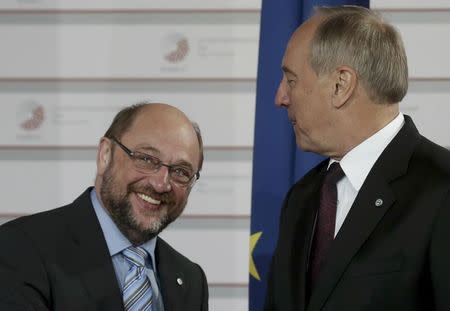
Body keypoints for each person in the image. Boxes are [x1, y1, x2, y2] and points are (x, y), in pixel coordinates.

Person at [265, 5, 450, 311]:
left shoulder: (442, 191)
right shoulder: (301, 199)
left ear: (341, 85)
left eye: (292, 80)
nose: (280, 97)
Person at [0, 102, 208, 311]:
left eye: (181, 171)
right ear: (105, 155)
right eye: (146, 159)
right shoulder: (21, 249)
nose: (161, 184)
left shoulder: (191, 280)